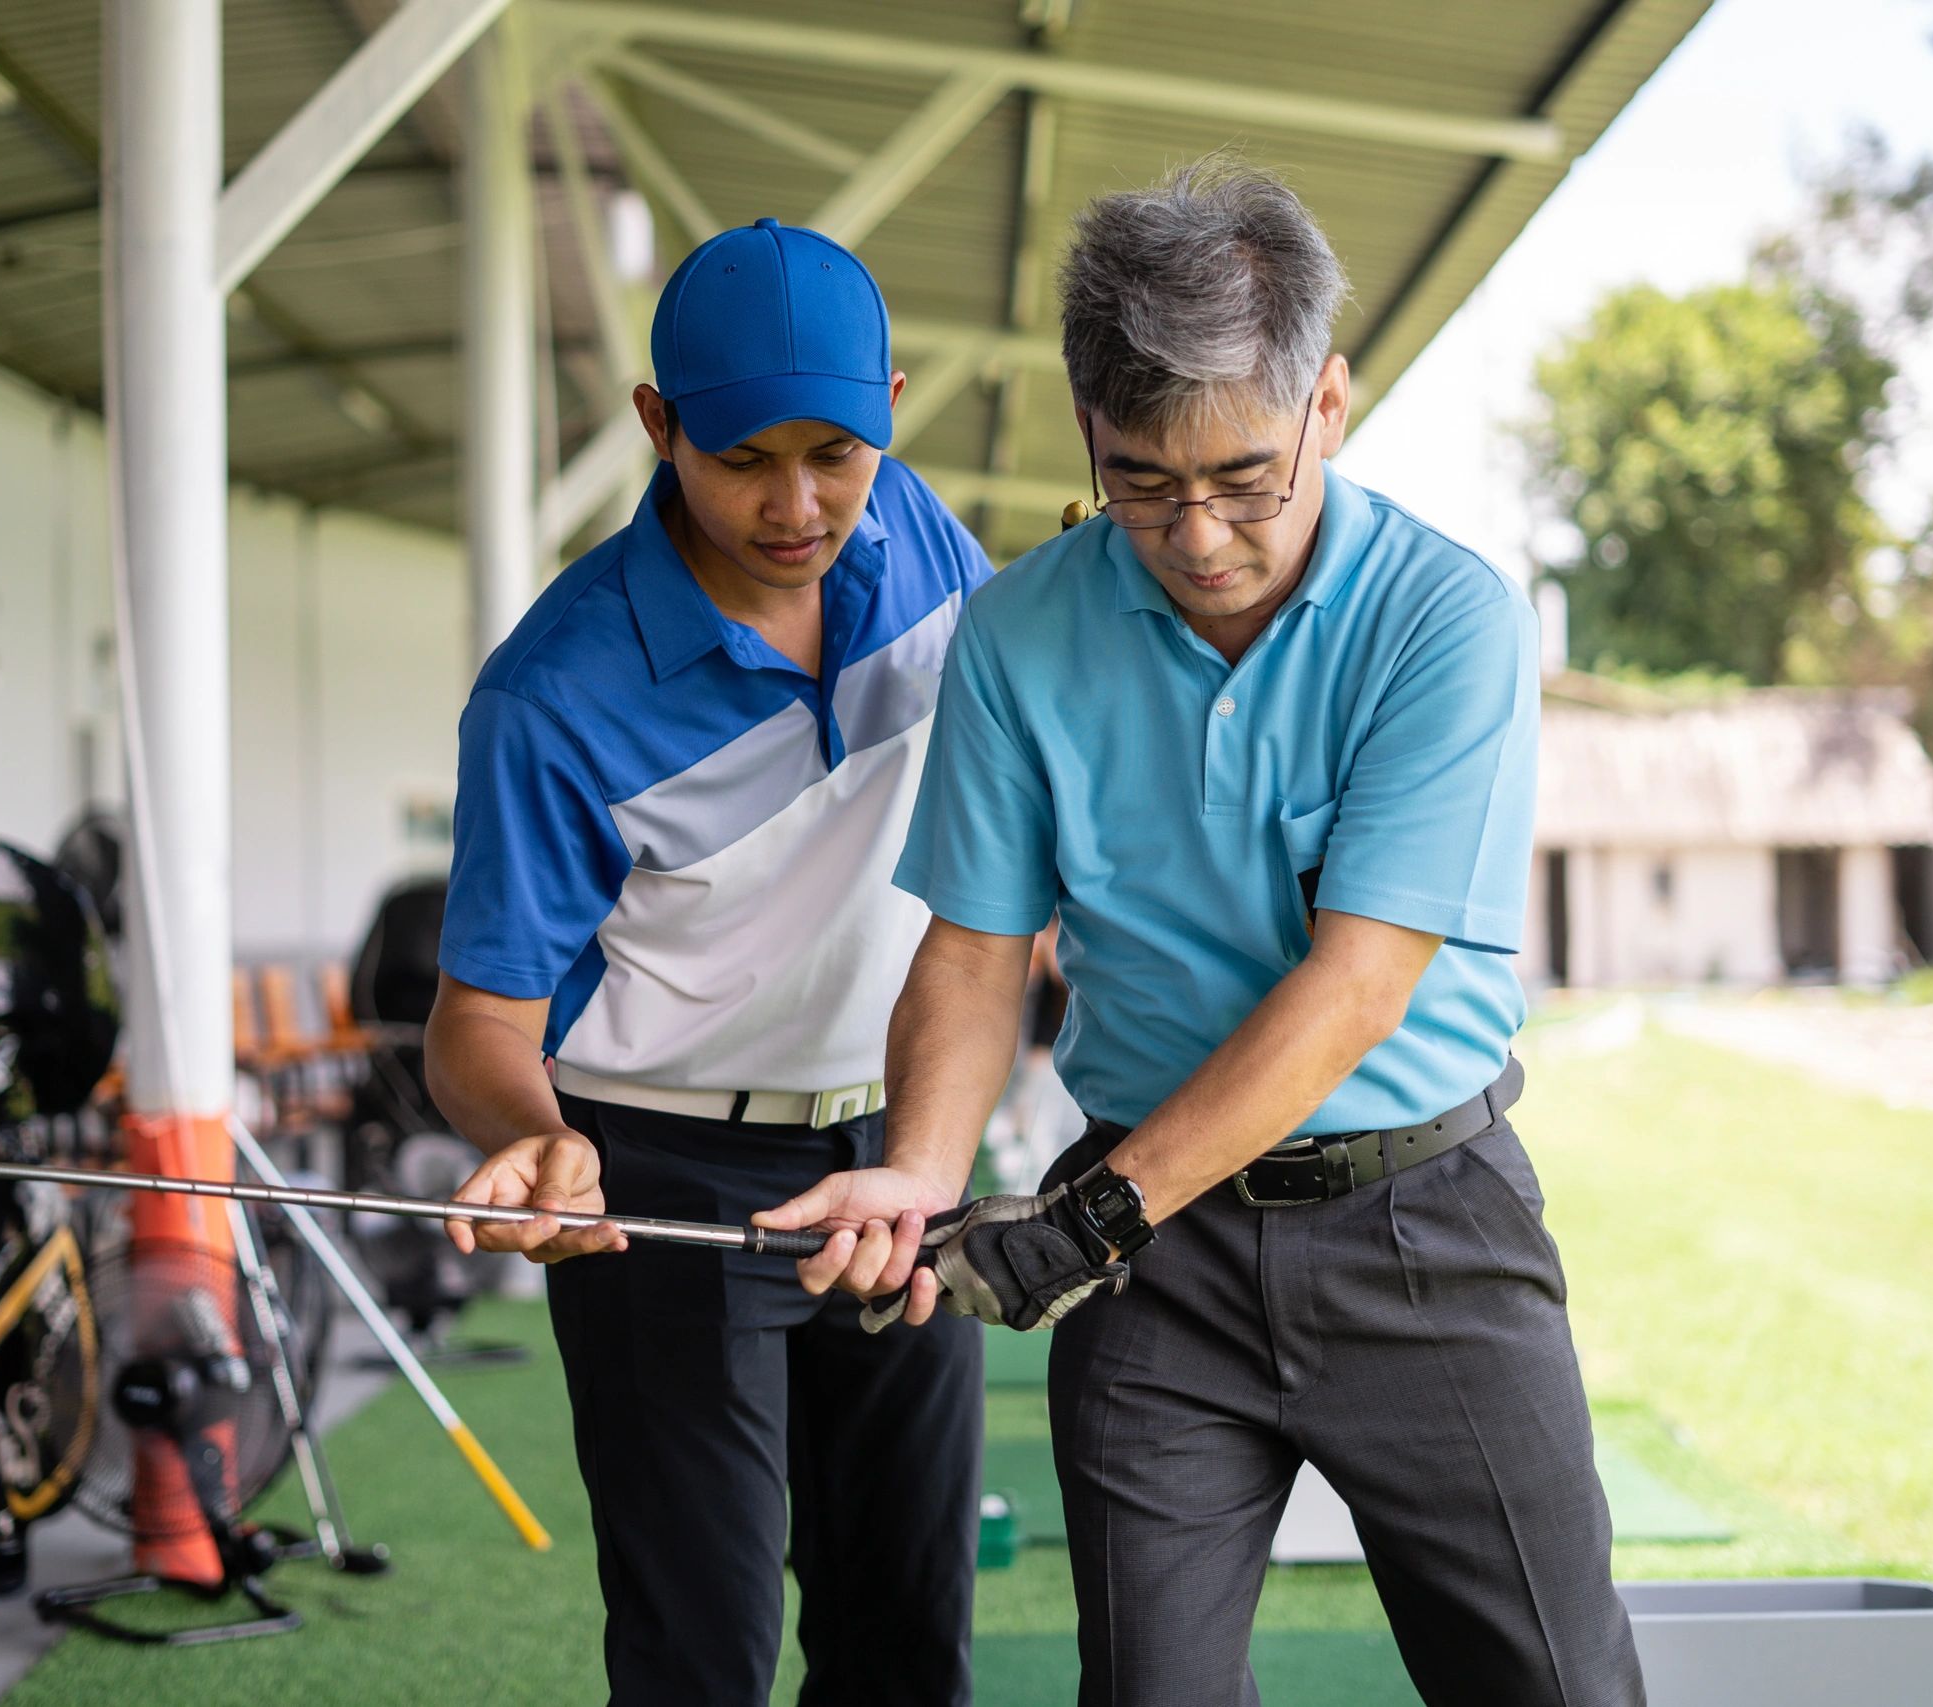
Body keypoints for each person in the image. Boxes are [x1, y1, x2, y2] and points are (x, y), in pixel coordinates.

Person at [760, 161, 1648, 1707]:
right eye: (1143, 485)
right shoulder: (1021, 632)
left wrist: (1092, 1217)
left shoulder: (1447, 621)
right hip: (1159, 1277)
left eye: (1244, 478)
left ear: (1329, 406)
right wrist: (921, 1171)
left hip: (1420, 1225)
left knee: (1554, 1687)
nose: (1200, 535)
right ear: (1090, 440)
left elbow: (1356, 985)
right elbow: (976, 949)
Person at [424, 217, 991, 1707]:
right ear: (659, 427)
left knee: (908, 1636)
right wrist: (540, 1144)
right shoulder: (551, 698)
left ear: (891, 413)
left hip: (897, 1152)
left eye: (837, 453)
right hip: (660, 1183)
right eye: (745, 459)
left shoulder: (922, 532)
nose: (799, 505)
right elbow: (477, 1022)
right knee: (703, 1659)